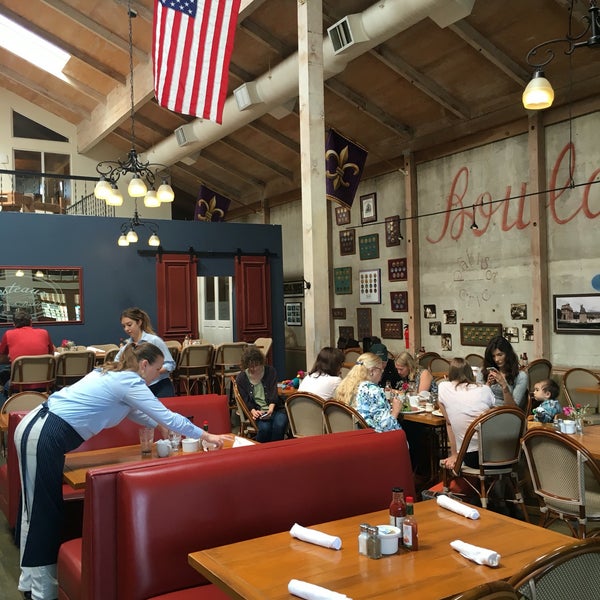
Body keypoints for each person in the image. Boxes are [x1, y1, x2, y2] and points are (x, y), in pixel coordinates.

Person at [14, 342, 231, 600]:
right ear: (143, 365)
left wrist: (161, 425)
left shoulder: (114, 376)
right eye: (158, 368)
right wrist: (208, 434)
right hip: (45, 432)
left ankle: (30, 583)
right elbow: (168, 417)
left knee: (34, 507)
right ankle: (42, 593)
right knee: (44, 510)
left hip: (37, 427)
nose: (160, 374)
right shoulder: (129, 381)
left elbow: (140, 414)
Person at [438, 357, 495, 470]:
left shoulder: (444, 387)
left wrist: (455, 455)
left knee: (449, 422)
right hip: (496, 452)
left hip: (469, 454)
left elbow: (449, 423)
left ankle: (455, 455)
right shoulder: (485, 389)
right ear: (470, 373)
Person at [114, 307, 176, 397]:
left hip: (160, 385)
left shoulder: (154, 341)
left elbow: (170, 364)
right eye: (124, 326)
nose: (126, 329)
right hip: (140, 388)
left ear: (139, 322)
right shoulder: (127, 346)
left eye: (129, 325)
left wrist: (151, 373)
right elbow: (116, 363)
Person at [334, 352, 402, 433]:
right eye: (381, 370)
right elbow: (385, 428)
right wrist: (395, 410)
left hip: (350, 435)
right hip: (371, 438)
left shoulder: (344, 385)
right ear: (372, 371)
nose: (382, 373)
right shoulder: (372, 390)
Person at [235, 346, 288, 442]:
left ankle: (275, 450)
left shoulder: (270, 371)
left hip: (275, 408)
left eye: (256, 365)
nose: (253, 368)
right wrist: (253, 411)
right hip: (258, 411)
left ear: (261, 362)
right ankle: (261, 452)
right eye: (250, 366)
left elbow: (273, 394)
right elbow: (246, 400)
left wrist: (270, 409)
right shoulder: (241, 378)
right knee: (265, 429)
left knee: (280, 424)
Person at [0, 309, 54, 399]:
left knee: (5, 379)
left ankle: (9, 408)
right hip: (45, 385)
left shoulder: (9, 334)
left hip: (18, 387)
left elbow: (1, 357)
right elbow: (51, 354)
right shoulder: (44, 333)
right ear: (31, 322)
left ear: (14, 324)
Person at [477, 336, 528, 410]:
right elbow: (478, 399)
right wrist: (487, 385)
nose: (496, 359)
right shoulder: (483, 371)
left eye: (500, 355)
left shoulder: (521, 376)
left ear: (508, 354)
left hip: (505, 413)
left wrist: (504, 385)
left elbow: (513, 409)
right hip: (485, 411)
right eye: (493, 356)